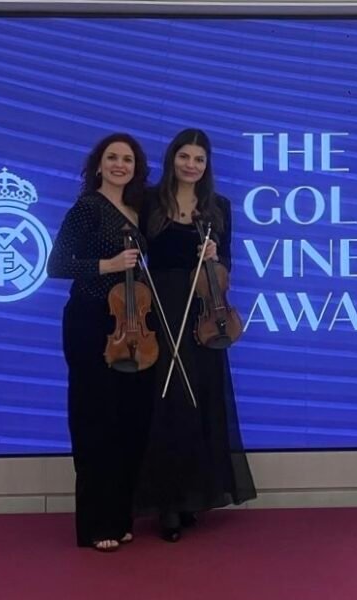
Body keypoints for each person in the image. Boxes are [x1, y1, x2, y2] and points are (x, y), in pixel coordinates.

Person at [135, 128, 256, 542]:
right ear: (172, 159)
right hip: (161, 308)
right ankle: (166, 503)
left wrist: (216, 255)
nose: (191, 164)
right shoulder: (150, 201)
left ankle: (191, 496)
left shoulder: (218, 207)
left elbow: (228, 266)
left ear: (207, 166)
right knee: (165, 404)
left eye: (199, 159)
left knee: (199, 401)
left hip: (202, 314)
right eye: (184, 156)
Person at [47, 133, 154, 552]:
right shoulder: (87, 207)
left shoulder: (136, 208)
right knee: (96, 422)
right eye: (112, 157)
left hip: (131, 325)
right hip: (92, 322)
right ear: (98, 165)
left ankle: (120, 514)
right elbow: (57, 264)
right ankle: (95, 524)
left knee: (130, 422)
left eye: (127, 159)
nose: (119, 164)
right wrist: (107, 264)